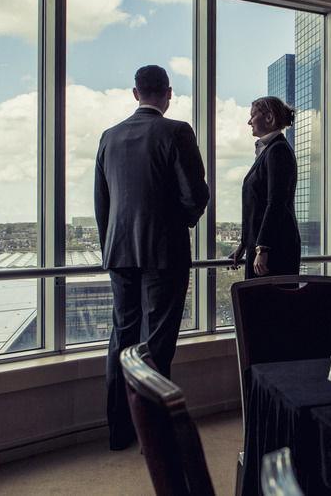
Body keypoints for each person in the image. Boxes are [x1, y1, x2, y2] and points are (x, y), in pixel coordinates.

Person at [94, 65, 210, 450]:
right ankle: (153, 435)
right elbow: (195, 194)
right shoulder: (177, 131)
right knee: (156, 345)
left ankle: (119, 432)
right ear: (169, 93)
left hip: (119, 251)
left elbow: (102, 203)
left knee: (122, 340)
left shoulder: (109, 137)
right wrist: (182, 222)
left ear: (135, 93)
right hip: (163, 251)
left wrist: (112, 242)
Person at [231, 96, 301, 278]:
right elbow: (258, 205)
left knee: (268, 304)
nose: (249, 121)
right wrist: (245, 244)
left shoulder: (278, 151)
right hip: (265, 247)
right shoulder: (271, 150)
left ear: (269, 118)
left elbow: (276, 203)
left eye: (253, 115)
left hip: (273, 250)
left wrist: (262, 249)